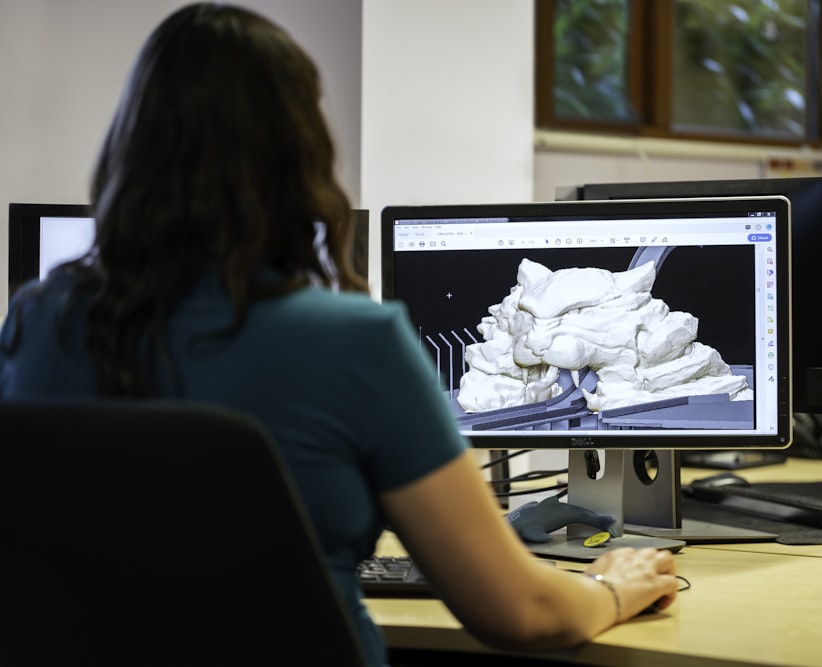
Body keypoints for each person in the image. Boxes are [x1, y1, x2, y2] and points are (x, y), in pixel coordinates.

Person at [0, 4, 679, 665]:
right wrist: (611, 587)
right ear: (302, 158)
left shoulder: (35, 322)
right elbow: (522, 614)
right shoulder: (356, 342)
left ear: (126, 155)